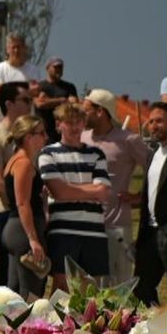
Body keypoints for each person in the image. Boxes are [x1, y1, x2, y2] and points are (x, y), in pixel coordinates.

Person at [80, 89, 151, 285]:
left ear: (100, 112)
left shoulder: (128, 140)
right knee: (88, 287)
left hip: (117, 226)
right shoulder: (81, 138)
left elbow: (157, 169)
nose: (81, 115)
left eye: (86, 111)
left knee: (119, 286)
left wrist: (140, 197)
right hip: (85, 224)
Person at [38, 102, 111, 290]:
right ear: (58, 124)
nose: (75, 127)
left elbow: (103, 193)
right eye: (70, 122)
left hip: (94, 230)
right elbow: (58, 192)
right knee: (61, 286)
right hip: (62, 230)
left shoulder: (96, 154)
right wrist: (90, 190)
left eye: (79, 122)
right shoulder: (48, 153)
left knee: (92, 289)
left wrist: (69, 188)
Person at [0, 82, 33, 288]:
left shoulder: (27, 137)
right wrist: (20, 206)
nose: (31, 104)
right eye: (26, 100)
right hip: (4, 212)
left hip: (23, 211)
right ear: (9, 104)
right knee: (9, 274)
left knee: (25, 274)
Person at [2, 115, 52, 299]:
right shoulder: (23, 163)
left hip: (16, 229)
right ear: (28, 137)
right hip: (23, 232)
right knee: (30, 293)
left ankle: (11, 327)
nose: (46, 137)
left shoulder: (16, 161)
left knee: (15, 291)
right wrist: (33, 239)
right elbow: (22, 203)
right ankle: (28, 327)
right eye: (41, 133)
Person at [132, 101, 167, 305]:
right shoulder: (154, 155)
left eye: (160, 121)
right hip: (150, 234)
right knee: (142, 288)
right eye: (152, 121)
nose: (154, 125)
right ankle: (158, 330)